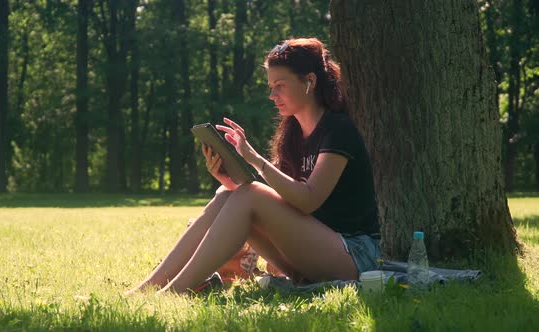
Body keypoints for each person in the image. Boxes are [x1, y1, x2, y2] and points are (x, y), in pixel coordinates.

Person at [127, 38, 381, 294]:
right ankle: (145, 290)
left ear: (310, 82)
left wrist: (254, 159)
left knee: (249, 194)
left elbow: (308, 201)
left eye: (280, 86)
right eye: (271, 87)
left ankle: (170, 294)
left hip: (354, 255)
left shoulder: (337, 130)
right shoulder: (291, 134)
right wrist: (229, 180)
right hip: (309, 253)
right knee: (227, 194)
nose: (273, 95)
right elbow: (282, 200)